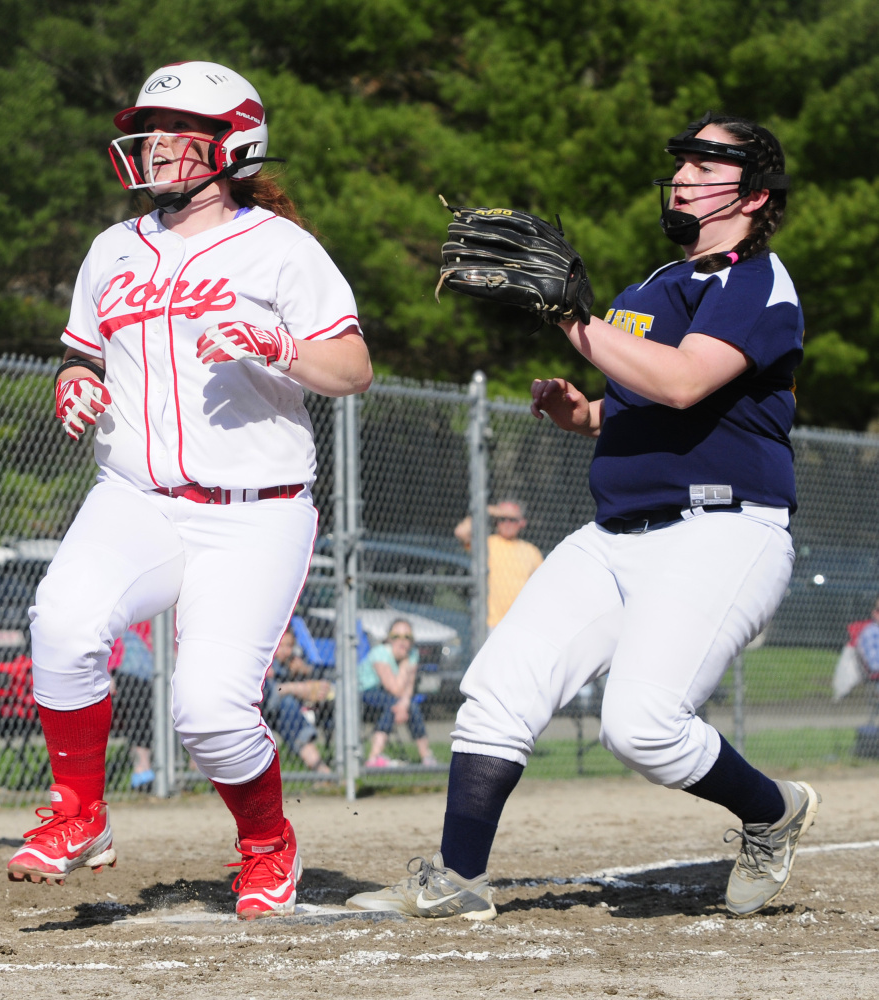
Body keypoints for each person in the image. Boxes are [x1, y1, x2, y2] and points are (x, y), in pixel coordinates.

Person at [348, 112, 819, 921]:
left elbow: (681, 383)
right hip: (614, 534)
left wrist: (572, 319)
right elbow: (645, 396)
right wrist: (587, 415)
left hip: (724, 532)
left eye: (708, 163)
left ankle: (772, 809)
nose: (682, 176)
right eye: (681, 161)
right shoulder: (649, 290)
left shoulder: (758, 286)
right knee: (498, 687)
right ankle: (459, 877)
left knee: (638, 727)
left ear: (757, 192)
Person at [5, 60, 372, 919]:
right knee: (61, 620)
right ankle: (79, 813)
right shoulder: (111, 248)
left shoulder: (281, 248)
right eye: (151, 128)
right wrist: (73, 380)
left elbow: (351, 368)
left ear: (233, 144)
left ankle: (267, 845)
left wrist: (277, 346)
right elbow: (83, 351)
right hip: (134, 494)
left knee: (207, 711)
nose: (157, 145)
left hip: (256, 511)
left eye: (180, 131)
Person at [359, 618, 437, 768]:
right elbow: (394, 688)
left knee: (412, 705)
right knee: (393, 703)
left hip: (392, 697)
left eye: (407, 637)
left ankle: (426, 755)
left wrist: (405, 703)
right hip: (365, 691)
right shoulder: (380, 653)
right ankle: (374, 757)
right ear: (389, 639)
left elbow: (409, 686)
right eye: (397, 636)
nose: (403, 641)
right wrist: (404, 666)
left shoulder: (412, 653)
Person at [455, 500, 543, 630]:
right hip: (491, 624)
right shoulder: (488, 544)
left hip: (521, 624)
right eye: (502, 519)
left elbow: (541, 587)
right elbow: (461, 532)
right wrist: (490, 510)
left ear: (522, 522)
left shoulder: (531, 551)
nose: (507, 523)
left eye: (512, 519)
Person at [263, 628, 333, 774]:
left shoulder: (292, 663)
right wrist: (296, 688)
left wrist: (305, 671)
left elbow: (321, 675)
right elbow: (269, 695)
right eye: (280, 646)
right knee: (287, 703)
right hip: (258, 710)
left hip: (279, 713)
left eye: (289, 646)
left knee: (288, 706)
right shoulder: (265, 662)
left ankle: (322, 772)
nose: (285, 651)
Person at [107, 622, 156, 790]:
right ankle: (142, 765)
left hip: (151, 674)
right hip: (117, 673)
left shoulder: (161, 609)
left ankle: (199, 765)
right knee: (136, 686)